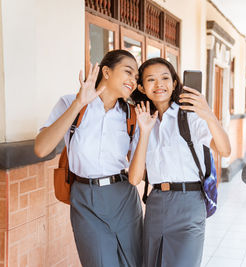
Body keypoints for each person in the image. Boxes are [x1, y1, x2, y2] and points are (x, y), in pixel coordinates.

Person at [34, 50, 143, 267]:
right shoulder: (70, 103)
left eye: (136, 78)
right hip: (85, 198)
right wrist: (78, 102)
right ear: (106, 71)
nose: (133, 80)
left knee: (134, 263)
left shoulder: (132, 115)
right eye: (128, 72)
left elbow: (137, 170)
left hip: (124, 198)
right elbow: (41, 148)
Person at [129, 57, 231, 267]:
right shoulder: (142, 121)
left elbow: (225, 149)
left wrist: (209, 115)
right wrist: (146, 132)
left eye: (165, 78)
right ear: (141, 86)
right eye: (151, 79)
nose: (159, 85)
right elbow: (135, 178)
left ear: (175, 82)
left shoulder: (190, 116)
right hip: (156, 203)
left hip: (189, 203)